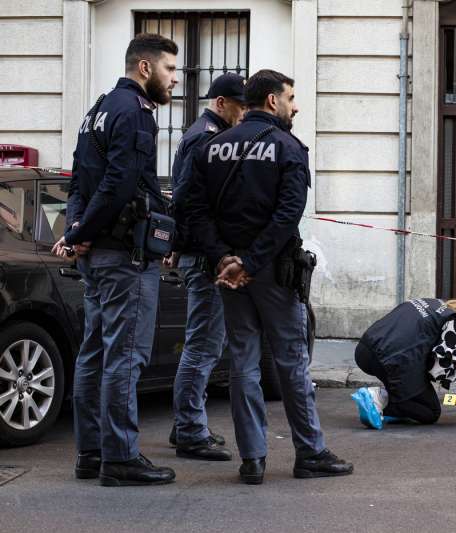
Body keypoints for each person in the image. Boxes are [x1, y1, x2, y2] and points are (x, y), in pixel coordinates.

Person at [184, 69, 353, 484]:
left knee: (243, 362)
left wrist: (225, 258)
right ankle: (310, 452)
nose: (295, 106)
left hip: (228, 275)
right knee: (292, 361)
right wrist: (252, 262)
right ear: (273, 101)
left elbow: (192, 210)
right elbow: (287, 215)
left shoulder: (212, 146)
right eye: (291, 97)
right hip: (273, 273)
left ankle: (252, 459)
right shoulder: (288, 147)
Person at [52, 34, 179, 486]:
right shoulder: (135, 113)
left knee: (94, 354)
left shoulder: (97, 110)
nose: (174, 81)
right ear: (144, 68)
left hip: (98, 255)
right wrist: (81, 233)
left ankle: (91, 454)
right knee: (125, 357)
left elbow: (79, 183)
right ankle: (120, 458)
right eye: (169, 70)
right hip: (126, 256)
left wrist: (76, 232)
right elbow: (121, 184)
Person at [166, 73, 247, 461]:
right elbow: (188, 199)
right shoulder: (206, 138)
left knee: (203, 343)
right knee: (203, 346)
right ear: (220, 103)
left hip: (197, 254)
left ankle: (185, 421)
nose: (244, 113)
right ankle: (189, 431)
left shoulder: (200, 132)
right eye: (240, 105)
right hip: (204, 258)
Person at [351, 298, 456, 429]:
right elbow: (438, 372)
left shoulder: (435, 304)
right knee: (430, 411)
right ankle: (378, 397)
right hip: (389, 361)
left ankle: (389, 403)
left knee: (416, 380)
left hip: (365, 350)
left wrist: (452, 353)